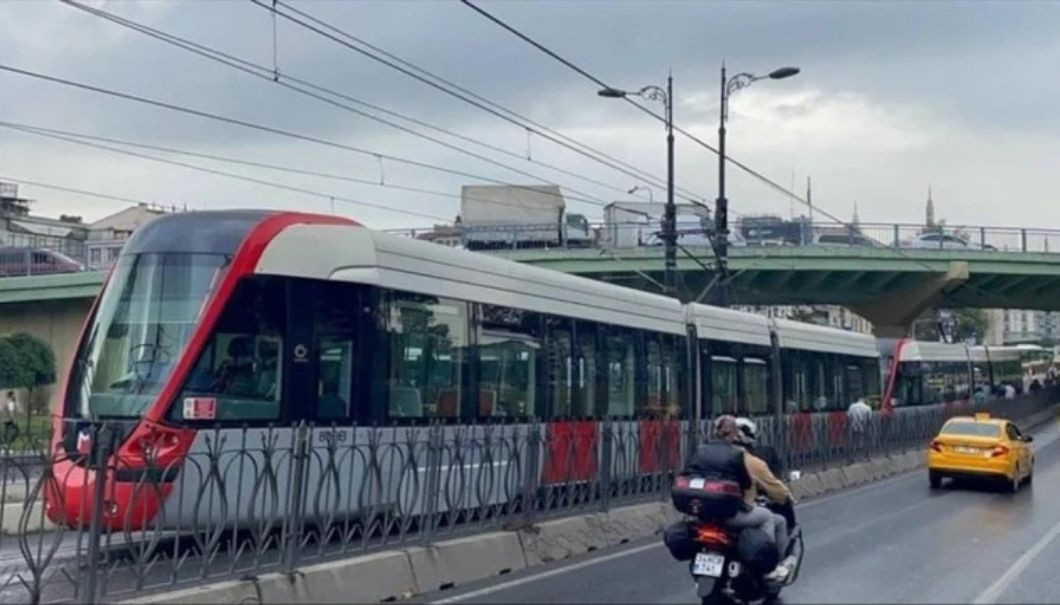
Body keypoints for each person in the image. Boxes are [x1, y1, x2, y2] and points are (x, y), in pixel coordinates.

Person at [685, 415, 794, 582]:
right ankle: (768, 566)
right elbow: (755, 485)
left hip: (705, 513)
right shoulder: (744, 460)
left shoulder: (702, 452)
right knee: (769, 518)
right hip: (732, 514)